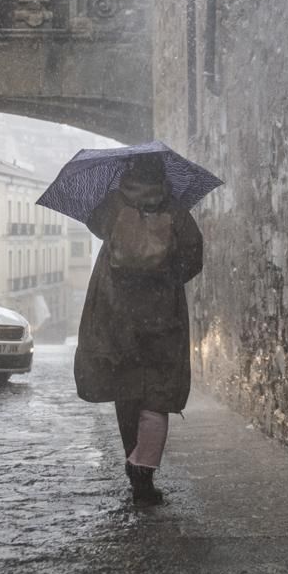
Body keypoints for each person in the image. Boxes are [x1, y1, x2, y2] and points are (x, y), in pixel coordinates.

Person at [75, 153, 204, 504]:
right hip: (162, 315)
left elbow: (94, 223)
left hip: (118, 313)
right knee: (158, 394)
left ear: (130, 170)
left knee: (127, 390)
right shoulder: (175, 209)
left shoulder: (113, 204)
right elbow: (194, 256)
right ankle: (143, 468)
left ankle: (135, 469)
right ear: (161, 172)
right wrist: (165, 276)